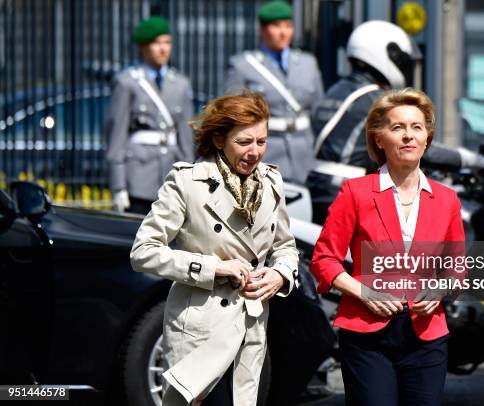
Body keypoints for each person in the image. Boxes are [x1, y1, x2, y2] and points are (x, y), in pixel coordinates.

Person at [130, 92, 299, 406]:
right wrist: (213, 268)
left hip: (250, 328)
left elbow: (286, 247)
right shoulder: (186, 183)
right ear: (219, 139)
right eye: (244, 142)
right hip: (200, 330)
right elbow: (143, 251)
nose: (254, 152)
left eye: (262, 142)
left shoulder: (272, 183)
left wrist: (279, 274)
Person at [310, 89, 464, 406]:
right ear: (379, 139)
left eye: (417, 127)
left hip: (426, 336)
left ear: (427, 138)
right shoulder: (356, 192)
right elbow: (324, 260)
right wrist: (365, 292)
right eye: (397, 128)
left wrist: (437, 290)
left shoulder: (447, 199)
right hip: (367, 336)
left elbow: (456, 270)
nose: (408, 136)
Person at [308, 20, 484, 224]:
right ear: (388, 54)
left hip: (321, 188)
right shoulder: (376, 99)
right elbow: (413, 145)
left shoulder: (339, 89)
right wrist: (471, 160)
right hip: (348, 195)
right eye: (403, 61)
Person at [224, 0, 324, 183]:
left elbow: (317, 111)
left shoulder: (308, 63)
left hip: (304, 154)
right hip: (267, 153)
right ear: (262, 29)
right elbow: (233, 117)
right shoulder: (243, 66)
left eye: (288, 26)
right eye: (277, 26)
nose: (283, 32)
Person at [106, 16, 195, 214]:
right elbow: (116, 136)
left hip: (171, 176)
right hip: (138, 177)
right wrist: (118, 185)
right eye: (156, 43)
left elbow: (185, 138)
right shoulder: (127, 81)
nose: (163, 49)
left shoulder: (180, 84)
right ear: (143, 47)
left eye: (167, 42)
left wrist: (189, 176)